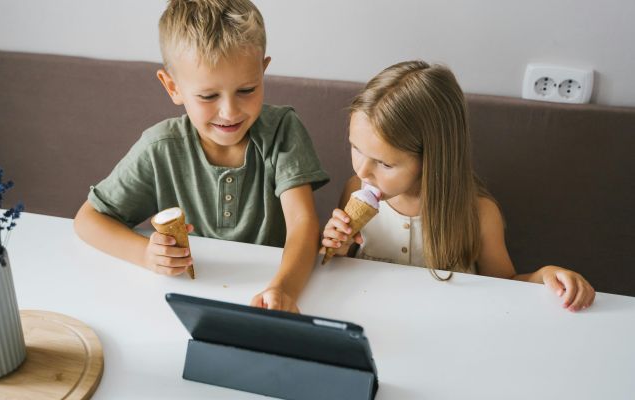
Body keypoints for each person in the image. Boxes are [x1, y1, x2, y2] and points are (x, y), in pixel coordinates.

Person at [74, 0, 328, 312]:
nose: (230, 111)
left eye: (247, 90)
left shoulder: (283, 131)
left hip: (268, 293)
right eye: (208, 96)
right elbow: (88, 220)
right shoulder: (160, 148)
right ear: (173, 87)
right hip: (186, 300)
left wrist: (283, 289)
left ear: (263, 71)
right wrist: (145, 254)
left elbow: (303, 223)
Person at [320, 61, 594, 312]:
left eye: (384, 164)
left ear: (432, 159)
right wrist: (338, 250)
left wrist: (545, 275)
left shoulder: (478, 213)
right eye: (355, 148)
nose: (362, 170)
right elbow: (339, 275)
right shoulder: (353, 188)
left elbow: (505, 284)